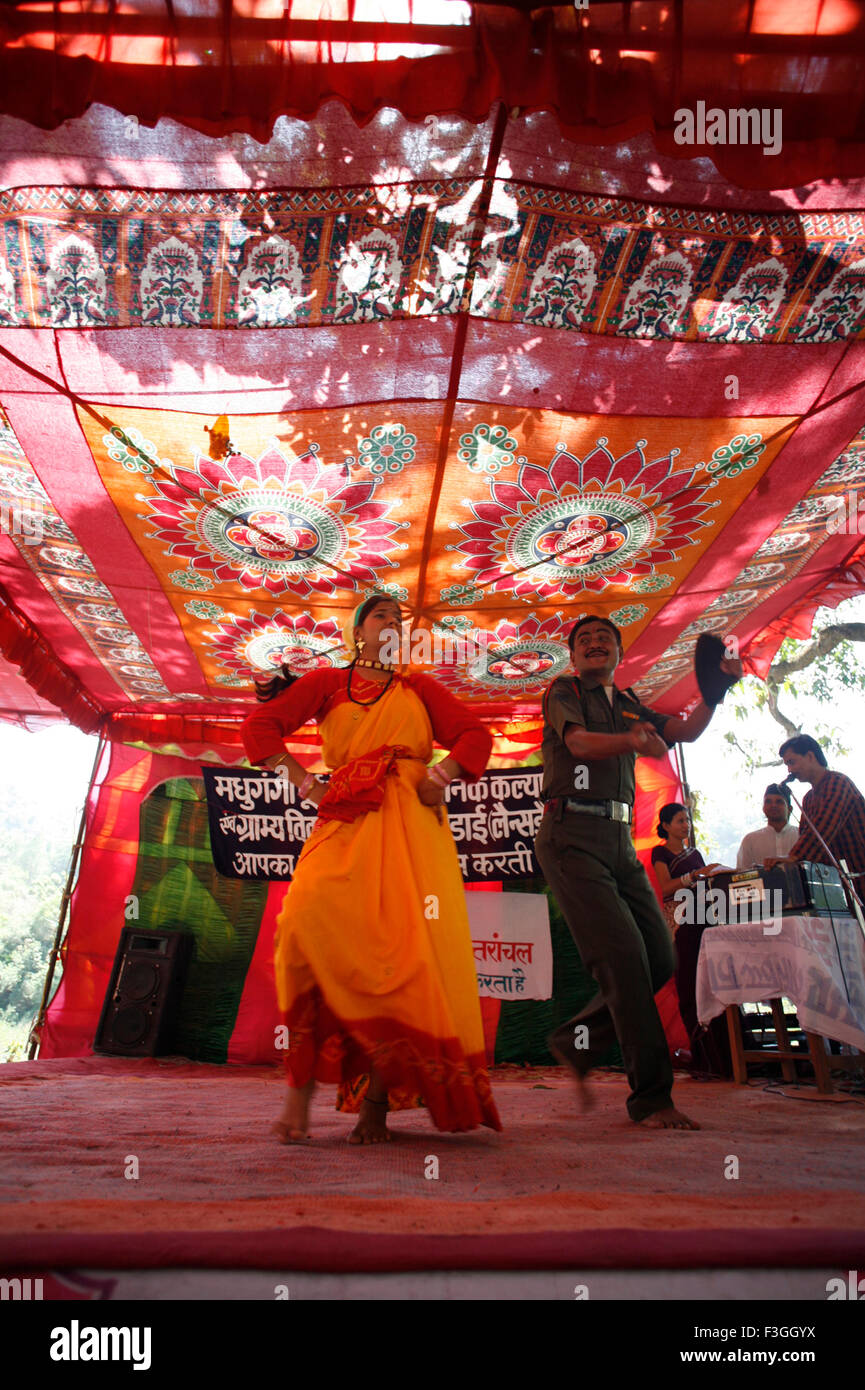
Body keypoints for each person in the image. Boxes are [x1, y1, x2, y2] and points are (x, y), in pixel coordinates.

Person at [242, 593, 502, 1145]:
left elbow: (476, 736)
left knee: (398, 960)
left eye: (401, 620)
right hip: (344, 818)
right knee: (302, 931)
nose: (394, 624)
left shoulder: (419, 688)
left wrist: (443, 774)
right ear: (357, 633)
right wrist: (304, 783)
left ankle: (375, 1108)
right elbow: (261, 729)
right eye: (382, 616)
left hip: (409, 827)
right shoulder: (326, 683)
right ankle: (299, 1093)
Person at [534, 615, 742, 1129]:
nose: (593, 643)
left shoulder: (627, 703)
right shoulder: (564, 691)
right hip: (570, 837)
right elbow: (580, 745)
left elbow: (686, 731)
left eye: (603, 637)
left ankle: (575, 1042)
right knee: (624, 959)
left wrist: (712, 693)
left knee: (658, 957)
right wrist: (634, 741)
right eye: (583, 640)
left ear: (619, 652)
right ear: (574, 656)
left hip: (619, 842)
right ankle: (651, 1097)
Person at [766, 734, 865, 879]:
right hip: (841, 884)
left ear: (810, 756)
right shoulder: (808, 799)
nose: (789, 770)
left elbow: (824, 827)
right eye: (787, 764)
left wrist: (794, 857)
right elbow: (807, 836)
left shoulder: (838, 782)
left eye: (792, 762)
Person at [651, 803, 717, 937]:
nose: (686, 825)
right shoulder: (660, 852)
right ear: (666, 826)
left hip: (703, 913)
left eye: (688, 820)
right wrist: (693, 876)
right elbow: (666, 887)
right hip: (680, 917)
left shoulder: (695, 853)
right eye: (680, 821)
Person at [736, 783, 798, 869]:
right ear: (763, 808)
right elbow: (742, 873)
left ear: (790, 809)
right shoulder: (750, 840)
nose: (773, 805)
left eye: (779, 801)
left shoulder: (801, 837)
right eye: (768, 801)